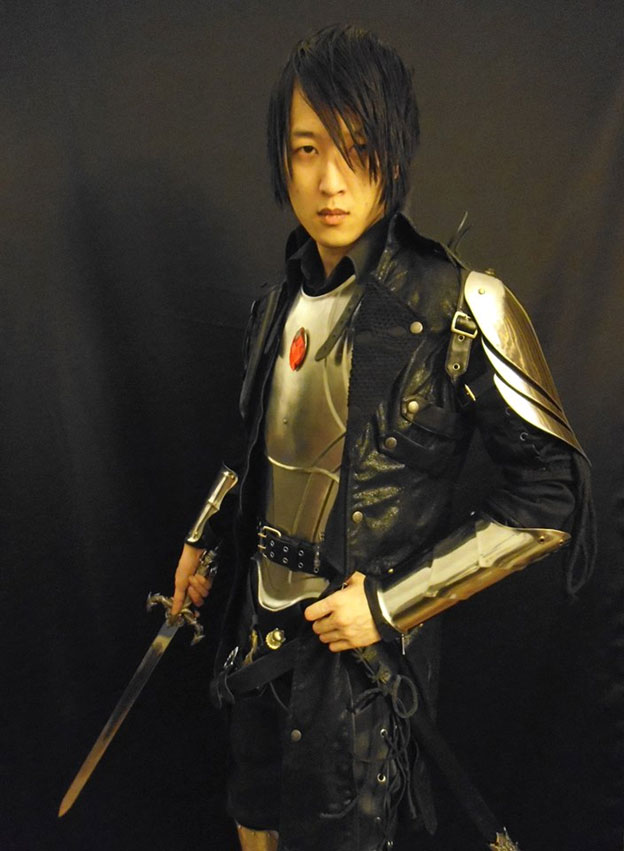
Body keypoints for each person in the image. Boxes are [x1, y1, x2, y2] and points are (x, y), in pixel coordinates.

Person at [170, 24, 594, 851]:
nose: (330, 180)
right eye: (307, 150)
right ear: (283, 158)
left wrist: (389, 604)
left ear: (394, 155)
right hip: (257, 641)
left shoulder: (463, 307)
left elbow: (552, 498)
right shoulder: (274, 308)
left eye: (358, 149)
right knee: (253, 824)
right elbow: (257, 450)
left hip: (355, 679)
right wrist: (204, 538)